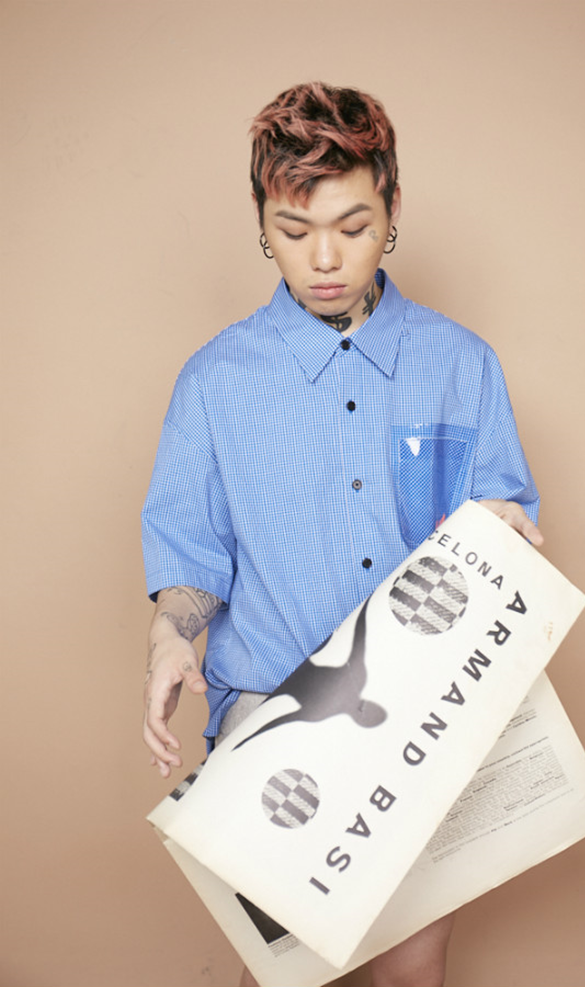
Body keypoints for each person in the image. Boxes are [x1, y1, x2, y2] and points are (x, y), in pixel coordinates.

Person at [142, 82, 543, 987]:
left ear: (392, 208)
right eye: (293, 230)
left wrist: (508, 533)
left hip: (427, 716)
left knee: (411, 973)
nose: (324, 257)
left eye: (353, 227)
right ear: (261, 221)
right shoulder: (213, 381)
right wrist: (172, 633)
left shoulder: (463, 364)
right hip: (271, 718)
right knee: (281, 975)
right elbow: (194, 555)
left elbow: (504, 537)